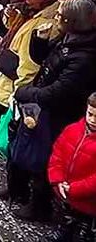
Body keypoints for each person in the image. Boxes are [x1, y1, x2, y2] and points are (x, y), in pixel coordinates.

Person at [8, 0, 96, 221]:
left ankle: (39, 206)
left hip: (57, 112)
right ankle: (16, 190)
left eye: (59, 16)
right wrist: (40, 40)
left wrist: (25, 92)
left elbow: (58, 92)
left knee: (43, 158)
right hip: (41, 103)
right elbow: (44, 61)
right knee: (20, 142)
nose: (56, 18)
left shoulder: (84, 57)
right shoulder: (68, 39)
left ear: (71, 21)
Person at [47, 92, 96, 242]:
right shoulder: (72, 129)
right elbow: (57, 155)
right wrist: (58, 179)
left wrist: (75, 189)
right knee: (65, 220)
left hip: (89, 202)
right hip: (65, 193)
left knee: (83, 232)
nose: (93, 120)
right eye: (90, 114)